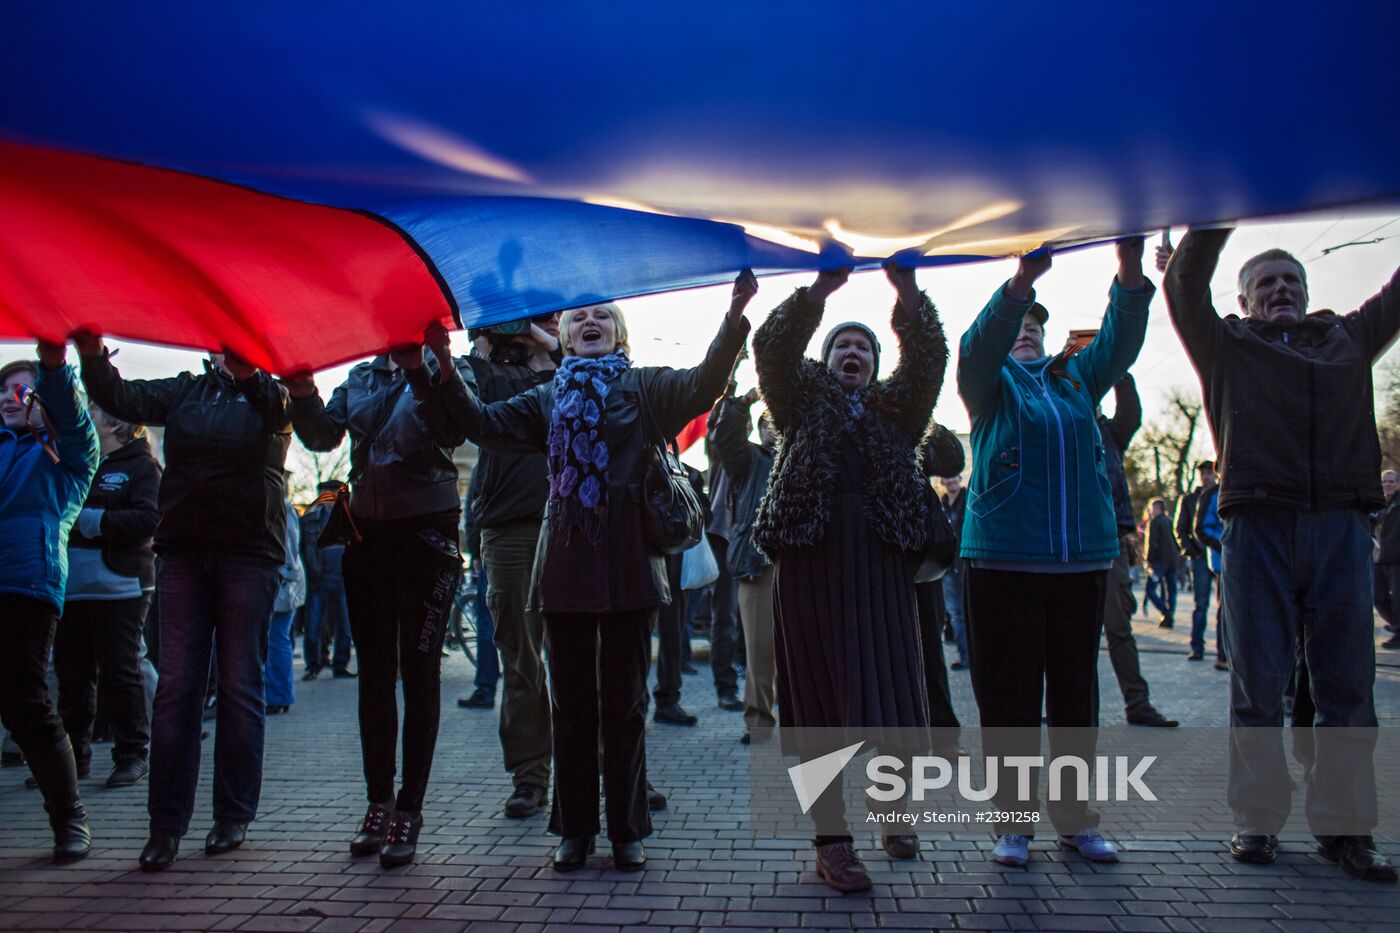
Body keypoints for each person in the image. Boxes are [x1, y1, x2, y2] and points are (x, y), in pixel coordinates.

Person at [439, 274, 753, 873]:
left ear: (618, 335)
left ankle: (627, 829)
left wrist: (734, 314)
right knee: (574, 706)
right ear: (562, 334)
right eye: (579, 317)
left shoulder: (645, 387)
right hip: (565, 568)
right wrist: (440, 368)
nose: (590, 323)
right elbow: (481, 424)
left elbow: (706, 383)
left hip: (631, 566)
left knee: (626, 706)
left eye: (602, 318)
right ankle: (575, 831)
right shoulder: (546, 397)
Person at [1164, 226, 1399, 881]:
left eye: (1290, 280)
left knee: (1347, 688)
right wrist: (1214, 216)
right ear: (1244, 300)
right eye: (1266, 283)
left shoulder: (1348, 338)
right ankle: (1258, 819)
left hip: (1341, 527)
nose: (1281, 290)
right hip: (1258, 527)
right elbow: (1183, 286)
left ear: (1307, 291)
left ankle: (1347, 831)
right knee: (1258, 684)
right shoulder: (1226, 346)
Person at [957, 240, 1152, 868]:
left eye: (1033, 327)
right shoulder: (988, 387)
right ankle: (1012, 825)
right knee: (1010, 700)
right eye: (1018, 326)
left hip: (1080, 564)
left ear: (1046, 337)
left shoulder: (1076, 381)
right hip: (1003, 562)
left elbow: (1120, 345)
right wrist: (1021, 283)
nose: (1024, 334)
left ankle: (1075, 820)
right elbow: (977, 346)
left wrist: (1128, 270)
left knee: (1074, 701)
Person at [752, 262, 946, 893]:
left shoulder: (898, 413)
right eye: (842, 345)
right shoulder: (799, 402)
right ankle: (832, 841)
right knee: (817, 705)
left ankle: (895, 814)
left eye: (864, 346)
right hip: (810, 565)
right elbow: (772, 346)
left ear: (875, 361)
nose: (853, 353)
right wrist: (819, 292)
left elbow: (929, 360)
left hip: (882, 569)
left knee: (890, 698)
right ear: (827, 360)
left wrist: (908, 293)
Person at [75, 331, 292, 872]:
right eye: (220, 343)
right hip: (184, 555)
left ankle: (232, 815)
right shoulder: (185, 391)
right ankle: (165, 827)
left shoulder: (273, 395)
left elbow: (286, 417)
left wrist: (251, 375)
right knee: (176, 689)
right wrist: (92, 357)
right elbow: (123, 399)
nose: (226, 351)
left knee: (241, 685)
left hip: (248, 552)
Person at [285, 336, 471, 869]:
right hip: (368, 535)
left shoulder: (446, 368)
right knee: (375, 674)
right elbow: (322, 437)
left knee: (419, 673)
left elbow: (453, 429)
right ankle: (378, 802)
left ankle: (410, 809)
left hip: (428, 537)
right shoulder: (360, 379)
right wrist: (303, 396)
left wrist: (421, 370)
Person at [454, 315, 558, 816]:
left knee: (599, 657)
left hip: (575, 521)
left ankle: (617, 771)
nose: (552, 317)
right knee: (521, 658)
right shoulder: (490, 371)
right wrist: (485, 342)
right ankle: (530, 775)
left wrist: (549, 345)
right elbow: (459, 406)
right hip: (510, 528)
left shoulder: (577, 362)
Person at [0, 346, 100, 861]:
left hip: (27, 585)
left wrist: (54, 370)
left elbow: (76, 423)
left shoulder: (69, 455)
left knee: (26, 703)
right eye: (2, 389)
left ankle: (69, 818)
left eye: (22, 389)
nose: (9, 398)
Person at [54, 405, 160, 789]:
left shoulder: (142, 467)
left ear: (118, 421)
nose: (85, 413)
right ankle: (71, 760)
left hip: (121, 587)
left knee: (121, 672)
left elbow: (150, 520)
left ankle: (133, 755)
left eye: (95, 410)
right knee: (73, 678)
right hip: (71, 589)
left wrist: (92, 521)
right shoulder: (79, 462)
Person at [1095, 376, 1177, 727]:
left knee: (1118, 628)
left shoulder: (1109, 433)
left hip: (1107, 541)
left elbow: (1130, 412)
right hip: (1062, 544)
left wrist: (1116, 366)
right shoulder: (1055, 424)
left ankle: (1137, 703)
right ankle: (1063, 705)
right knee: (1064, 632)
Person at [711, 387, 777, 745]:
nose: (770, 429)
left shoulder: (808, 454)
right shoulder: (748, 459)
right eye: (765, 424)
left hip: (802, 565)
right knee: (760, 651)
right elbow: (724, 436)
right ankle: (760, 724)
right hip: (757, 566)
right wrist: (744, 402)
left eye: (777, 423)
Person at [299, 480, 354, 679]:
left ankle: (336, 664)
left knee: (343, 625)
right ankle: (315, 664)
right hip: (320, 579)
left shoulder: (348, 516)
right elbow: (304, 550)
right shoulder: (310, 519)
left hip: (339, 578)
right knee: (315, 625)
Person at [264, 495, 304, 715]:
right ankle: (279, 694)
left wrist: (284, 574)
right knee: (279, 639)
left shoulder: (280, 505)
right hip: (285, 579)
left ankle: (279, 695)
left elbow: (289, 547)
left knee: (276, 639)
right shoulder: (284, 505)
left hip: (282, 581)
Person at [1176, 460, 1219, 660]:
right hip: (1201, 557)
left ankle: (1223, 652)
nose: (1206, 476)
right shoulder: (1189, 499)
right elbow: (1180, 529)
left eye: (1209, 473)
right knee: (1200, 604)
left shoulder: (1221, 495)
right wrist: (1192, 550)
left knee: (1224, 606)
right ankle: (1197, 647)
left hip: (1220, 555)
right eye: (1203, 473)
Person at [939, 472, 969, 670]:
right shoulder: (943, 504)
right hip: (949, 568)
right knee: (956, 613)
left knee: (961, 614)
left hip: (963, 565)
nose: (951, 481)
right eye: (947, 478)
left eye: (954, 477)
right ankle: (966, 656)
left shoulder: (966, 501)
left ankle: (969, 657)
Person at [1374, 471, 1400, 650]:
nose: (1388, 484)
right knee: (1377, 596)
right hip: (1379, 558)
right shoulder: (1378, 504)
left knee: (1398, 599)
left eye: (1391, 481)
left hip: (1397, 558)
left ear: (1398, 484)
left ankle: (1398, 633)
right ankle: (1397, 624)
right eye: (1384, 481)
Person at [1144, 499, 1179, 626]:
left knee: (1150, 589)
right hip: (1173, 561)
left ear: (1157, 509)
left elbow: (1152, 543)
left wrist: (1148, 561)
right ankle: (1169, 617)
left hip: (1159, 561)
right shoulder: (1170, 521)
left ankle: (1166, 612)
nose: (1150, 511)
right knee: (1171, 590)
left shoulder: (1154, 522)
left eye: (1152, 508)